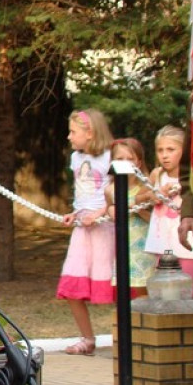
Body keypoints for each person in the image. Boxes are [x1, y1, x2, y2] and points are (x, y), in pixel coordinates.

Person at [56, 108, 115, 355]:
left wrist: (99, 214)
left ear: (89, 133)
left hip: (105, 229)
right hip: (83, 229)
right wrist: (76, 212)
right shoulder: (76, 158)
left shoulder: (111, 158)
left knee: (115, 284)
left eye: (73, 132)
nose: (69, 137)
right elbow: (83, 192)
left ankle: (127, 336)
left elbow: (115, 194)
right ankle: (87, 338)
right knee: (72, 282)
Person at [140, 125, 193, 298]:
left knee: (192, 289)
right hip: (163, 242)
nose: (164, 155)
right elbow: (139, 198)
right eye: (160, 150)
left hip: (188, 243)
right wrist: (154, 194)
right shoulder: (157, 174)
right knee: (165, 290)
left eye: (171, 149)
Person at [104, 138, 152, 298]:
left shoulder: (146, 188)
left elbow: (154, 219)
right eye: (119, 159)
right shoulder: (110, 190)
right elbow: (109, 209)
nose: (125, 163)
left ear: (138, 162)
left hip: (145, 246)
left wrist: (135, 206)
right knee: (124, 287)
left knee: (145, 288)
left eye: (130, 159)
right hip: (124, 245)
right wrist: (110, 210)